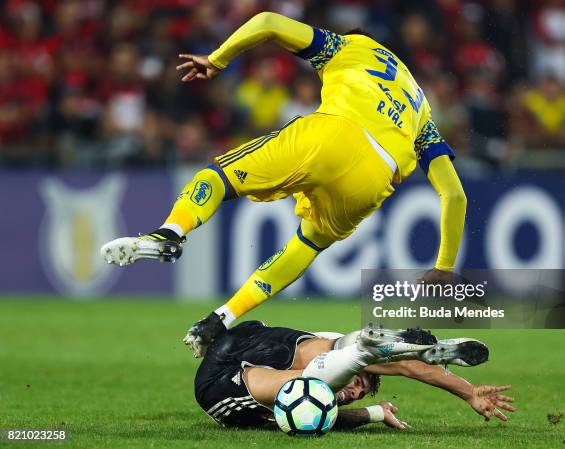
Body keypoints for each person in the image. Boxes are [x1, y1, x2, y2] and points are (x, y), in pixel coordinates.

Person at [100, 12, 467, 357]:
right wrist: (444, 267)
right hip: (374, 180)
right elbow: (454, 193)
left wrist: (217, 59)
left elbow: (268, 22)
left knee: (216, 176)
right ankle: (223, 316)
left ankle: (169, 234)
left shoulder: (350, 46)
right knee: (307, 243)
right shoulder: (422, 110)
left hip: (333, 134)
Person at [195, 322, 514, 429]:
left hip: (250, 340)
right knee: (310, 383)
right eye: (357, 385)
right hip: (218, 385)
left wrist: (469, 392)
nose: (351, 395)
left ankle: (361, 345)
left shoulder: (319, 403)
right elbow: (310, 411)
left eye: (357, 396)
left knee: (324, 357)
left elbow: (321, 416)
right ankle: (362, 349)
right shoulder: (312, 395)